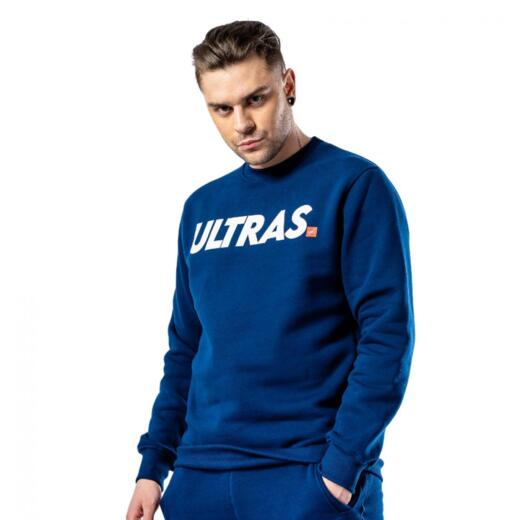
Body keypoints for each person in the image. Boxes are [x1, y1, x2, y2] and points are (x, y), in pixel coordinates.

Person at [126, 19, 415, 520]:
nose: (241, 124)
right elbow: (186, 347)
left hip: (306, 478)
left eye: (255, 99)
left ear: (288, 85)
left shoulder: (354, 186)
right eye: (222, 108)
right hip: (199, 482)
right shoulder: (202, 209)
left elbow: (387, 338)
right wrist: (153, 467)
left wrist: (340, 472)